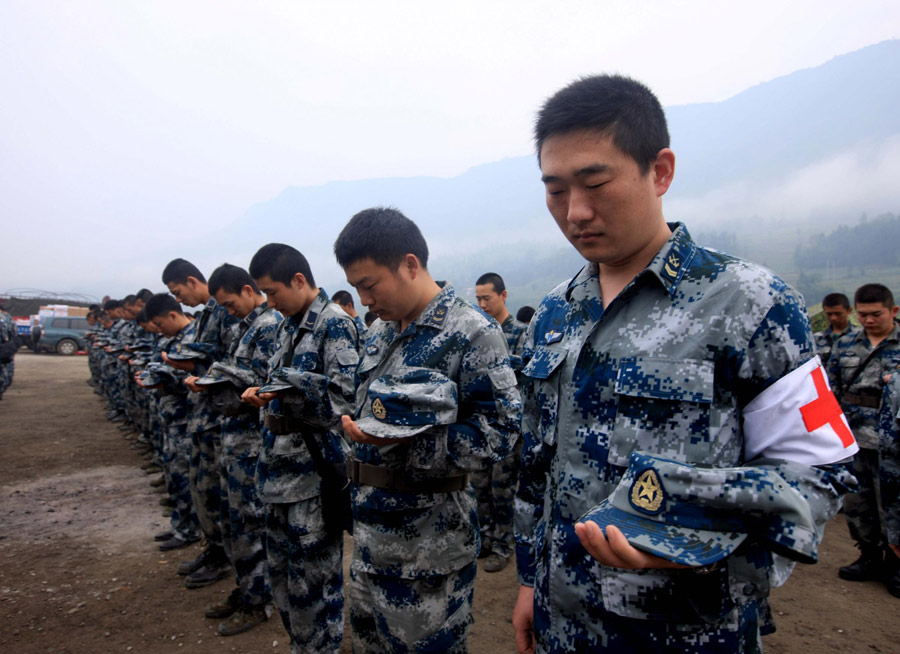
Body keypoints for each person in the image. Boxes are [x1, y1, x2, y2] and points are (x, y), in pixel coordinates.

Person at [512, 74, 858, 654]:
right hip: (560, 623)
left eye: (595, 183)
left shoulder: (750, 303)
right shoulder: (554, 313)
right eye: (555, 191)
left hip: (686, 631)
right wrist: (529, 578)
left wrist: (699, 546)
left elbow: (820, 473)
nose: (575, 212)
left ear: (660, 171)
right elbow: (536, 467)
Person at [334, 207, 521, 653]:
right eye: (356, 288)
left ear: (410, 264)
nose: (364, 299)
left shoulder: (472, 332)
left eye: (369, 285)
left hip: (428, 552)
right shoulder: (379, 332)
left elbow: (501, 431)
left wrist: (406, 444)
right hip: (370, 541)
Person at [242, 243, 359, 654]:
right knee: (282, 576)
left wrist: (292, 387)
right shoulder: (286, 326)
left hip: (311, 475)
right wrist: (264, 393)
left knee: (314, 581)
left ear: (298, 280)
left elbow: (345, 400)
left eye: (272, 292)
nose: (270, 302)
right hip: (277, 471)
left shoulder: (335, 324)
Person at [198, 263, 283, 635]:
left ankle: (257, 600)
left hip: (252, 442)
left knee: (250, 524)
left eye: (230, 303)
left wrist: (225, 377)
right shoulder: (244, 326)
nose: (229, 312)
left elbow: (268, 382)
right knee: (235, 522)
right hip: (234, 440)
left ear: (249, 290)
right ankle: (246, 586)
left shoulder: (268, 326)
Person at [161, 258, 238, 589]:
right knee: (202, 491)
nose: (179, 300)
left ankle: (222, 557)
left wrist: (194, 365)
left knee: (215, 493)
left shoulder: (224, 311)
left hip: (217, 418)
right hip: (201, 416)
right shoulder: (208, 313)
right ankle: (213, 549)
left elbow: (229, 362)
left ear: (193, 281)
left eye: (178, 292)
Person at [828, 283, 900, 585]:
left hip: (892, 443)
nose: (869, 320)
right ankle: (868, 556)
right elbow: (830, 389)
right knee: (858, 502)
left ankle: (896, 565)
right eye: (863, 314)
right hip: (853, 438)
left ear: (893, 311)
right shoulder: (845, 344)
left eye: (876, 314)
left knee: (893, 505)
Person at [472, 272, 528, 572]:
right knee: (479, 486)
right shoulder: (479, 334)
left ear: (503, 296)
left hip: (506, 428)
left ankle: (503, 545)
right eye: (478, 299)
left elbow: (525, 380)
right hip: (480, 425)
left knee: (502, 488)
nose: (482, 304)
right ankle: (484, 538)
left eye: (487, 298)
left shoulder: (520, 334)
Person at [814, 293, 858, 366]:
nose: (833, 318)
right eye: (829, 314)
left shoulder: (859, 336)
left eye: (838, 314)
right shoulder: (817, 339)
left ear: (849, 310)